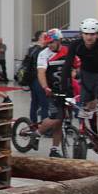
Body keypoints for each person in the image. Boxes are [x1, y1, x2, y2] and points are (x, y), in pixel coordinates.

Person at [62, 18, 98, 142]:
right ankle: (96, 136)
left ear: (97, 34)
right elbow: (67, 66)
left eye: (92, 34)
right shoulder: (76, 45)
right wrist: (64, 87)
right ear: (82, 34)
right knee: (90, 107)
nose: (89, 37)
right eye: (86, 34)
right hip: (87, 76)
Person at [36, 28, 69, 157]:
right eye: (48, 43)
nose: (50, 45)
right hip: (51, 91)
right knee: (56, 118)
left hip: (66, 90)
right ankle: (37, 134)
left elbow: (76, 67)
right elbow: (41, 72)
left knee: (60, 121)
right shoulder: (44, 54)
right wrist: (45, 87)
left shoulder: (67, 51)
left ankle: (54, 149)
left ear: (59, 40)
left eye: (52, 42)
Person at [26, 31, 49, 124]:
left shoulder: (32, 49)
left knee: (34, 102)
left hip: (32, 79)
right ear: (40, 38)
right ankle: (45, 127)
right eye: (45, 37)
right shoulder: (41, 51)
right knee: (44, 103)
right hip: (38, 79)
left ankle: (33, 123)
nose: (47, 39)